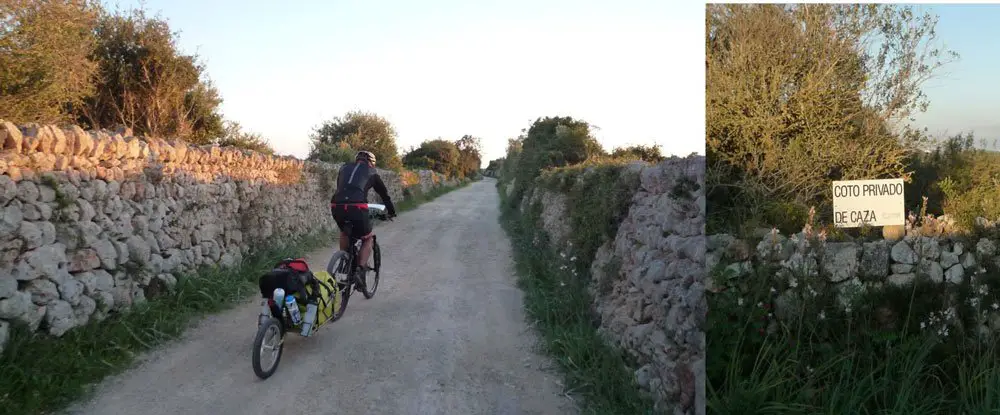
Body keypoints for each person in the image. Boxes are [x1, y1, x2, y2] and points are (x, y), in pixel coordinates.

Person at [330, 150, 397, 288]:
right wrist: (391, 212)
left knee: (344, 232)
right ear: (372, 163)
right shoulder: (372, 172)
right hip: (357, 207)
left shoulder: (344, 168)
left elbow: (341, 187)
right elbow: (384, 195)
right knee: (368, 238)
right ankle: (359, 271)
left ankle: (344, 262)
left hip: (337, 205)